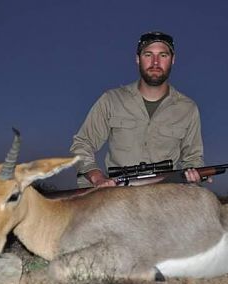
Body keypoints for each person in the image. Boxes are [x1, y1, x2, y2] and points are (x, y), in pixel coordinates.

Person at [70, 31, 205, 188]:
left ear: (173, 60)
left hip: (165, 195)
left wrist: (195, 172)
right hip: (118, 193)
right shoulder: (111, 99)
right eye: (148, 55)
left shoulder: (188, 108)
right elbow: (82, 144)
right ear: (137, 59)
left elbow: (193, 157)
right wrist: (96, 176)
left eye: (163, 55)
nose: (155, 62)